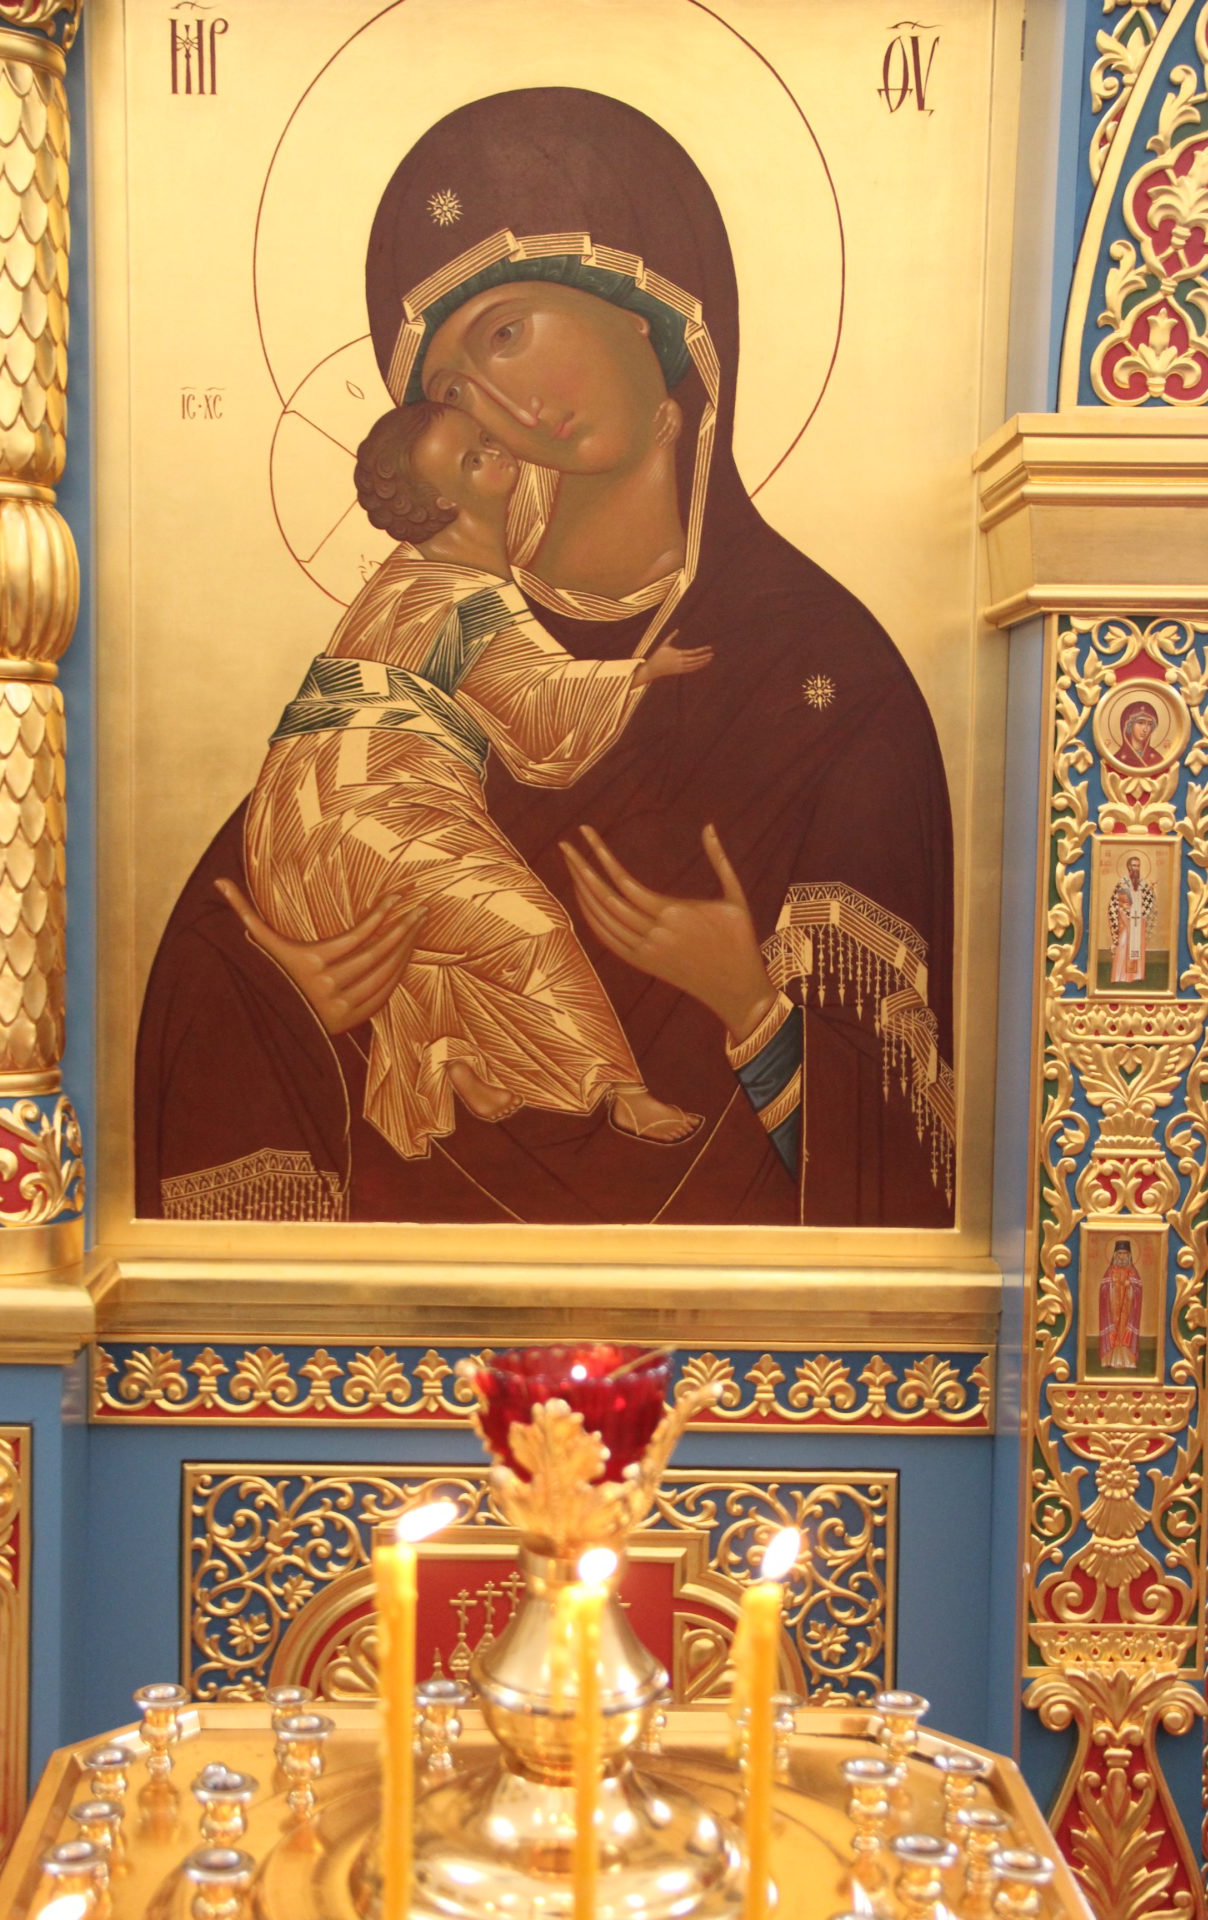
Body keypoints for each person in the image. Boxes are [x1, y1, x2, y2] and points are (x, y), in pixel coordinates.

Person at [136, 87, 955, 1228]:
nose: (500, 401)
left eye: (508, 332)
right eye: (451, 390)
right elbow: (234, 945)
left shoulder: (831, 686)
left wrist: (753, 1009)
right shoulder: (425, 650)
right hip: (399, 1305)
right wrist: (289, 1005)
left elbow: (916, 1174)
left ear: (652, 308)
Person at [245, 397, 709, 1158]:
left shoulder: (417, 569)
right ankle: (618, 1090)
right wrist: (638, 673)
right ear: (445, 501)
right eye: (474, 459)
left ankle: (452, 1058)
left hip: (298, 819)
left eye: (488, 440)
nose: (499, 455)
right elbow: (539, 705)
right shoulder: (466, 596)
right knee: (526, 926)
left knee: (429, 937)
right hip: (363, 807)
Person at [1108, 853, 1156, 985]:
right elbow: (1119, 904)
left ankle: (1137, 975)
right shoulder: (1123, 883)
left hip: (1139, 920)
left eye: (1138, 866)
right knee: (1124, 945)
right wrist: (1126, 916)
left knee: (1138, 946)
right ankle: (1120, 976)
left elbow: (1148, 899)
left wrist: (1152, 891)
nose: (1136, 868)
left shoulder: (1142, 883)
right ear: (1129, 867)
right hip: (1125, 921)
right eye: (1134, 865)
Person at [1098, 1239, 1143, 1370]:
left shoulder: (1133, 1271)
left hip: (1127, 1308)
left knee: (1124, 1331)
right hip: (1113, 1307)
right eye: (1120, 1254)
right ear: (1115, 1255)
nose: (1122, 1257)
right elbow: (1103, 1290)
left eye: (1125, 1254)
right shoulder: (1110, 1271)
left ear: (1129, 1255)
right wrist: (1112, 1285)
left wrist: (1130, 1286)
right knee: (1114, 1330)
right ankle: (1109, 1360)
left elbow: (1138, 1290)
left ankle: (1128, 1362)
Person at [1115, 699, 1161, 769]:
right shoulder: (1117, 759)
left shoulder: (1156, 758)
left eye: (1149, 724)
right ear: (1129, 725)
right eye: (1140, 722)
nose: (1145, 729)